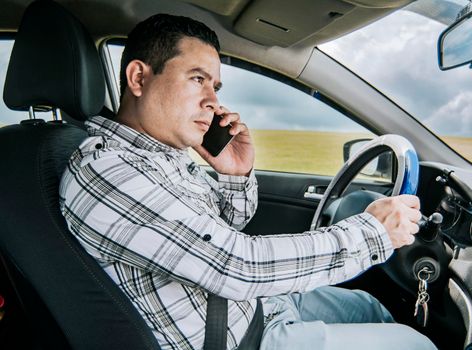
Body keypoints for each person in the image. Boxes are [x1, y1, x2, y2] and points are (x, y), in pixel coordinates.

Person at [59, 14, 436, 350]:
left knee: (370, 308)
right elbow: (236, 266)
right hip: (241, 339)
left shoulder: (160, 155)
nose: (212, 100)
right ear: (139, 78)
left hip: (254, 306)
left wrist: (235, 175)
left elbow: (220, 234)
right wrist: (373, 232)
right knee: (415, 344)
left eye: (215, 88)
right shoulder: (109, 172)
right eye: (197, 79)